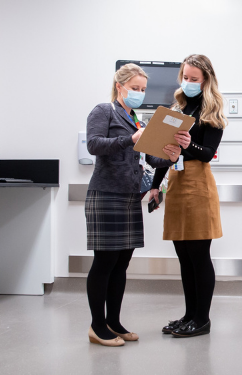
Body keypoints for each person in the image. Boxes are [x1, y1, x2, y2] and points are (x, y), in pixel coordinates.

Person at [84, 63, 181, 347]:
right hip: (106, 195)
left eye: (142, 89)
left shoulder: (136, 118)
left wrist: (171, 156)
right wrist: (130, 138)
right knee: (104, 262)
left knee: (121, 263)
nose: (139, 93)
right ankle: (97, 325)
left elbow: (150, 158)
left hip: (128, 198)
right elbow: (93, 144)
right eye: (135, 88)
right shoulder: (104, 111)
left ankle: (113, 321)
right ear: (120, 87)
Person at [149, 54, 226, 338]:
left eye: (194, 79)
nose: (188, 82)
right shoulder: (177, 108)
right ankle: (189, 315)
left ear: (206, 79)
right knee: (183, 255)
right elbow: (163, 151)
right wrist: (156, 186)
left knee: (198, 255)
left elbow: (206, 154)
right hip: (176, 181)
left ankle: (202, 319)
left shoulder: (212, 111)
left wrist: (188, 143)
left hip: (198, 183)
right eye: (185, 77)